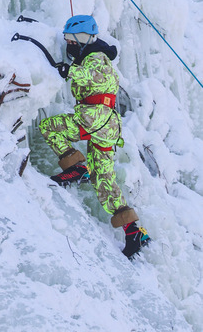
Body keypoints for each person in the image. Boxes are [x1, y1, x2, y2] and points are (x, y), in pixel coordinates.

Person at [39, 15, 150, 259]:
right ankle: (134, 231)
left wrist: (71, 71)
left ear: (83, 38)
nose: (70, 44)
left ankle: (77, 168)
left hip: (95, 117)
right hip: (106, 125)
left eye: (73, 40)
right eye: (68, 40)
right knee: (103, 178)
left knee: (50, 127)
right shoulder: (91, 57)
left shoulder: (96, 57)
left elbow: (95, 77)